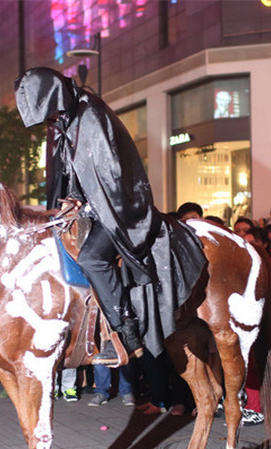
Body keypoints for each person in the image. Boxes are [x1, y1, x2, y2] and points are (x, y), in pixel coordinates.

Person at [14, 67, 205, 363]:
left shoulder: (90, 116)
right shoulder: (64, 122)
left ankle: (124, 328)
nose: (49, 123)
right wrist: (73, 200)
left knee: (92, 258)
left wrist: (87, 205)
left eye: (49, 115)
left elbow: (109, 176)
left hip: (118, 208)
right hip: (93, 208)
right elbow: (77, 174)